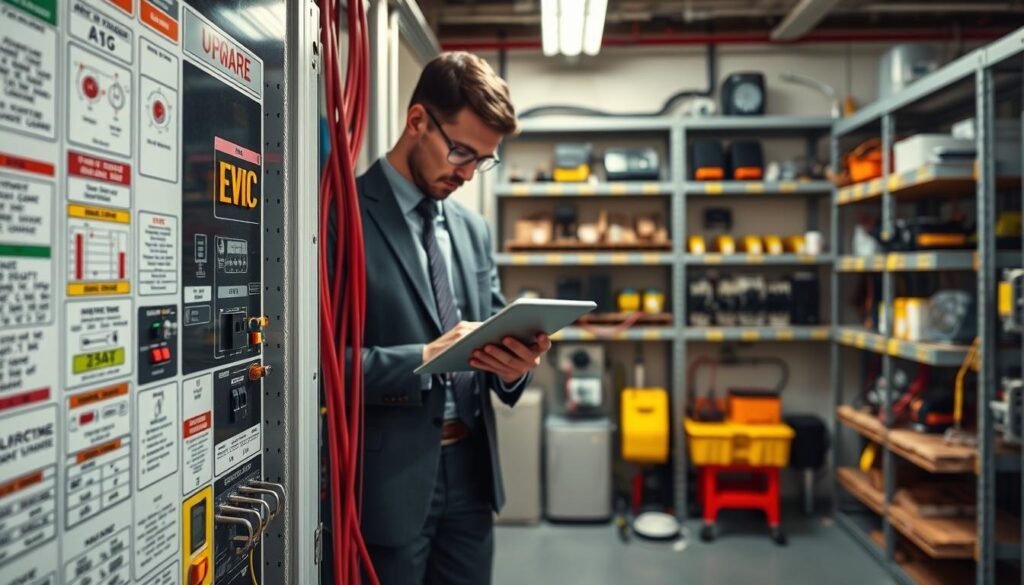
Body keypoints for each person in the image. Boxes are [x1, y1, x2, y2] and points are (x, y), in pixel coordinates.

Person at [335, 51, 551, 585]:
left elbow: (494, 326)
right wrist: (424, 358)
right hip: (388, 482)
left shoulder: (472, 229)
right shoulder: (341, 215)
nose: (468, 173)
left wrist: (514, 366)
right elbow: (318, 368)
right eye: (460, 152)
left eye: (482, 161)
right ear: (417, 122)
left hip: (472, 476)